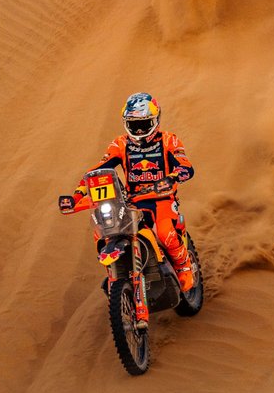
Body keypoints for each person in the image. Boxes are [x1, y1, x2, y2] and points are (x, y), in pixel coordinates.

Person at [59, 92, 195, 296]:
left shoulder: (169, 140)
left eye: (144, 124)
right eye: (134, 125)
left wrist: (172, 177)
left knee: (165, 233)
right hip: (131, 202)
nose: (139, 130)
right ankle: (120, 274)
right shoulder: (119, 144)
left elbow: (185, 166)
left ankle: (184, 266)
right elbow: (96, 171)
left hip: (162, 199)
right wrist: (76, 196)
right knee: (104, 231)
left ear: (155, 120)